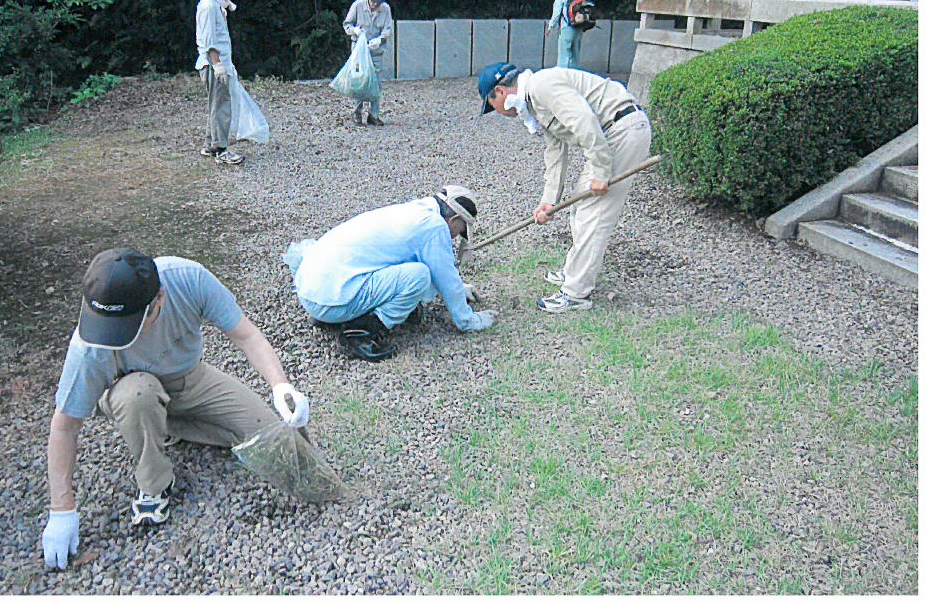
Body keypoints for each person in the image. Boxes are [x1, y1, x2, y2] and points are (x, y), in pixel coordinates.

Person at [41, 248, 311, 569]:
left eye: (129, 325)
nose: (116, 337)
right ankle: (154, 485)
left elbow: (248, 336)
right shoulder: (91, 345)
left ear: (159, 301)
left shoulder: (188, 279)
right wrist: (62, 510)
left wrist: (280, 386)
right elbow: (65, 425)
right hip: (132, 391)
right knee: (138, 394)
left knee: (273, 435)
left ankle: (173, 425)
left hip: (190, 378)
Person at [478, 62, 652, 312]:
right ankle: (573, 272)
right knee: (580, 206)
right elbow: (556, 153)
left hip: (621, 129)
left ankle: (576, 293)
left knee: (595, 214)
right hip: (610, 134)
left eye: (491, 106)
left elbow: (584, 121)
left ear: (500, 92)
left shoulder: (542, 86)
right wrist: (548, 202)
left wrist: (602, 171)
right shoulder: (535, 104)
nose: (496, 112)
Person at [286, 187, 498, 361]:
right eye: (459, 231)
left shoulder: (414, 211)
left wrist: (460, 289)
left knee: (416, 270)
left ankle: (342, 314)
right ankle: (360, 331)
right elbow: (444, 276)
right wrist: (469, 320)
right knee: (419, 276)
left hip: (312, 292)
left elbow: (425, 264)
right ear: (453, 220)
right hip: (330, 303)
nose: (454, 238)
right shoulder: (433, 226)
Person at [195, 0, 245, 165]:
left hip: (217, 63)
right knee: (222, 106)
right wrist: (217, 65)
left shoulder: (217, 6)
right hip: (213, 65)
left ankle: (210, 145)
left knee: (216, 105)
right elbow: (209, 40)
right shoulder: (208, 6)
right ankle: (221, 150)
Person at [342, 0, 394, 126]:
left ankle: (374, 115)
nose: (375, 4)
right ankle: (356, 113)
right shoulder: (358, 5)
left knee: (376, 83)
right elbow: (347, 24)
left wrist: (380, 40)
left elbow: (387, 30)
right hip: (359, 50)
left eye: (378, 1)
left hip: (376, 51)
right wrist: (355, 30)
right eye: (373, 0)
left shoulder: (386, 9)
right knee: (358, 80)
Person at [546, 0, 581, 70]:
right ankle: (576, 75)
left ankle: (562, 75)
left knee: (564, 52)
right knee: (575, 53)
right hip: (578, 27)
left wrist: (550, 26)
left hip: (567, 27)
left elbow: (556, 14)